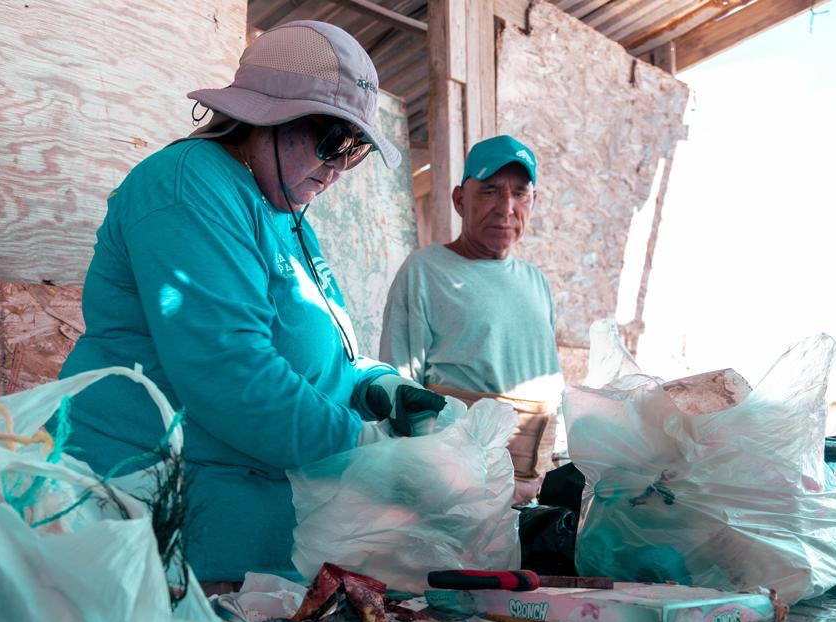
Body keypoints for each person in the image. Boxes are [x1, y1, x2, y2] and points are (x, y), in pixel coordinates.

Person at [58, 20, 445, 584]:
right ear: (266, 115)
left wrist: (378, 385)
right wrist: (364, 450)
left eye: (355, 149)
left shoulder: (288, 217)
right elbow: (230, 374)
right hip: (166, 520)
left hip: (245, 524)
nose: (339, 166)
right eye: (332, 140)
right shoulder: (187, 186)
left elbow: (317, 353)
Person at [380, 135, 563, 504]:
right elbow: (395, 389)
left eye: (520, 193)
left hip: (531, 494)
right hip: (458, 493)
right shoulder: (425, 271)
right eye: (490, 191)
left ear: (534, 202)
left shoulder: (536, 281)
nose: (506, 207)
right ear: (459, 199)